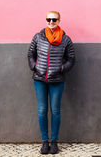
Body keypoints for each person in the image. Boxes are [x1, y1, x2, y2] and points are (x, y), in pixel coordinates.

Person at [27, 10, 75, 154]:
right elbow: (30, 54)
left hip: (57, 80)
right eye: (48, 20)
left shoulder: (66, 40)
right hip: (39, 79)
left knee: (55, 111)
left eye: (54, 20)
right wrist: (34, 67)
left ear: (59, 21)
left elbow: (71, 59)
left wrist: (61, 68)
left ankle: (54, 142)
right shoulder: (38, 37)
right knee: (42, 110)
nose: (51, 22)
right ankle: (44, 142)